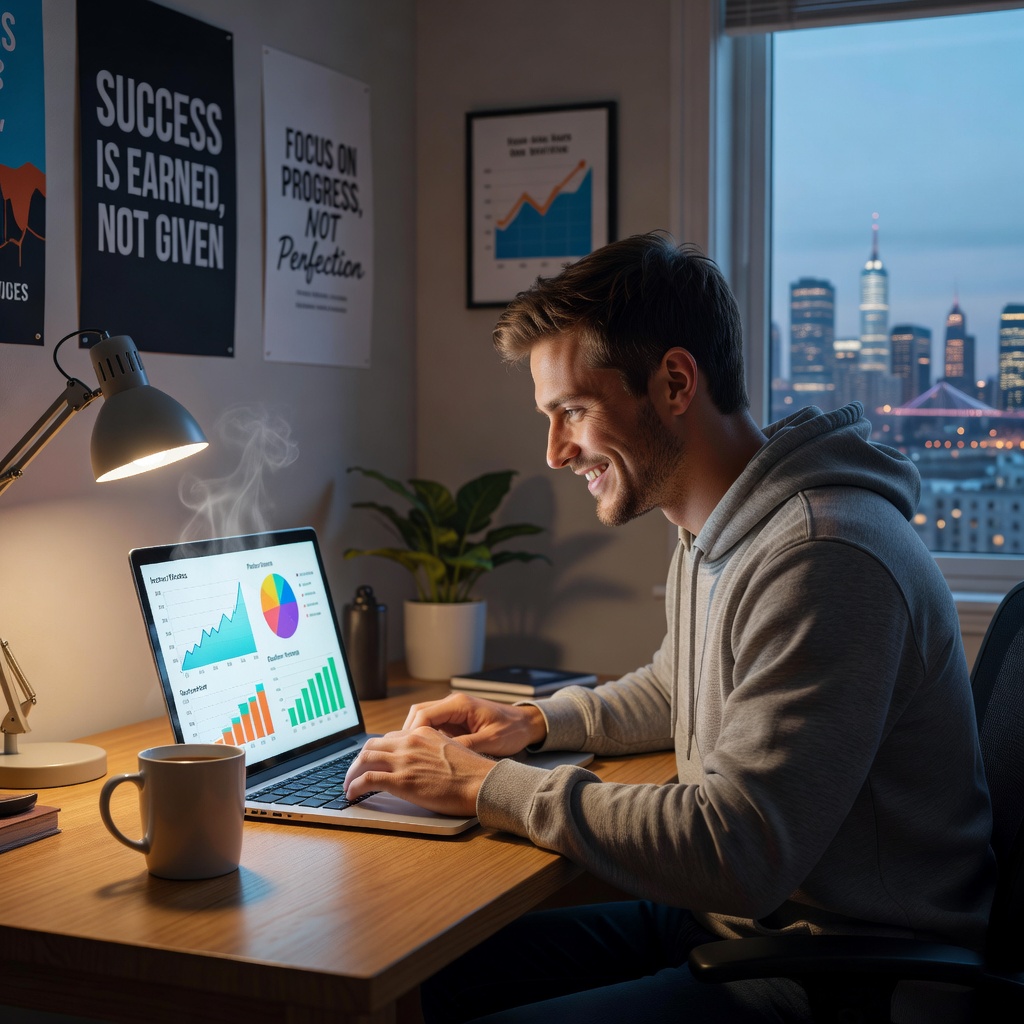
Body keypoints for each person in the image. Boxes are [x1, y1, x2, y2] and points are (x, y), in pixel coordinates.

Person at [344, 232, 995, 1022]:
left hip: (840, 972)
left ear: (676, 382)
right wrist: (533, 723)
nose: (554, 453)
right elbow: (678, 683)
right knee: (429, 975)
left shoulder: (824, 553)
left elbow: (742, 847)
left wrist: (484, 785)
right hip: (745, 925)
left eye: (572, 411)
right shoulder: (721, 526)